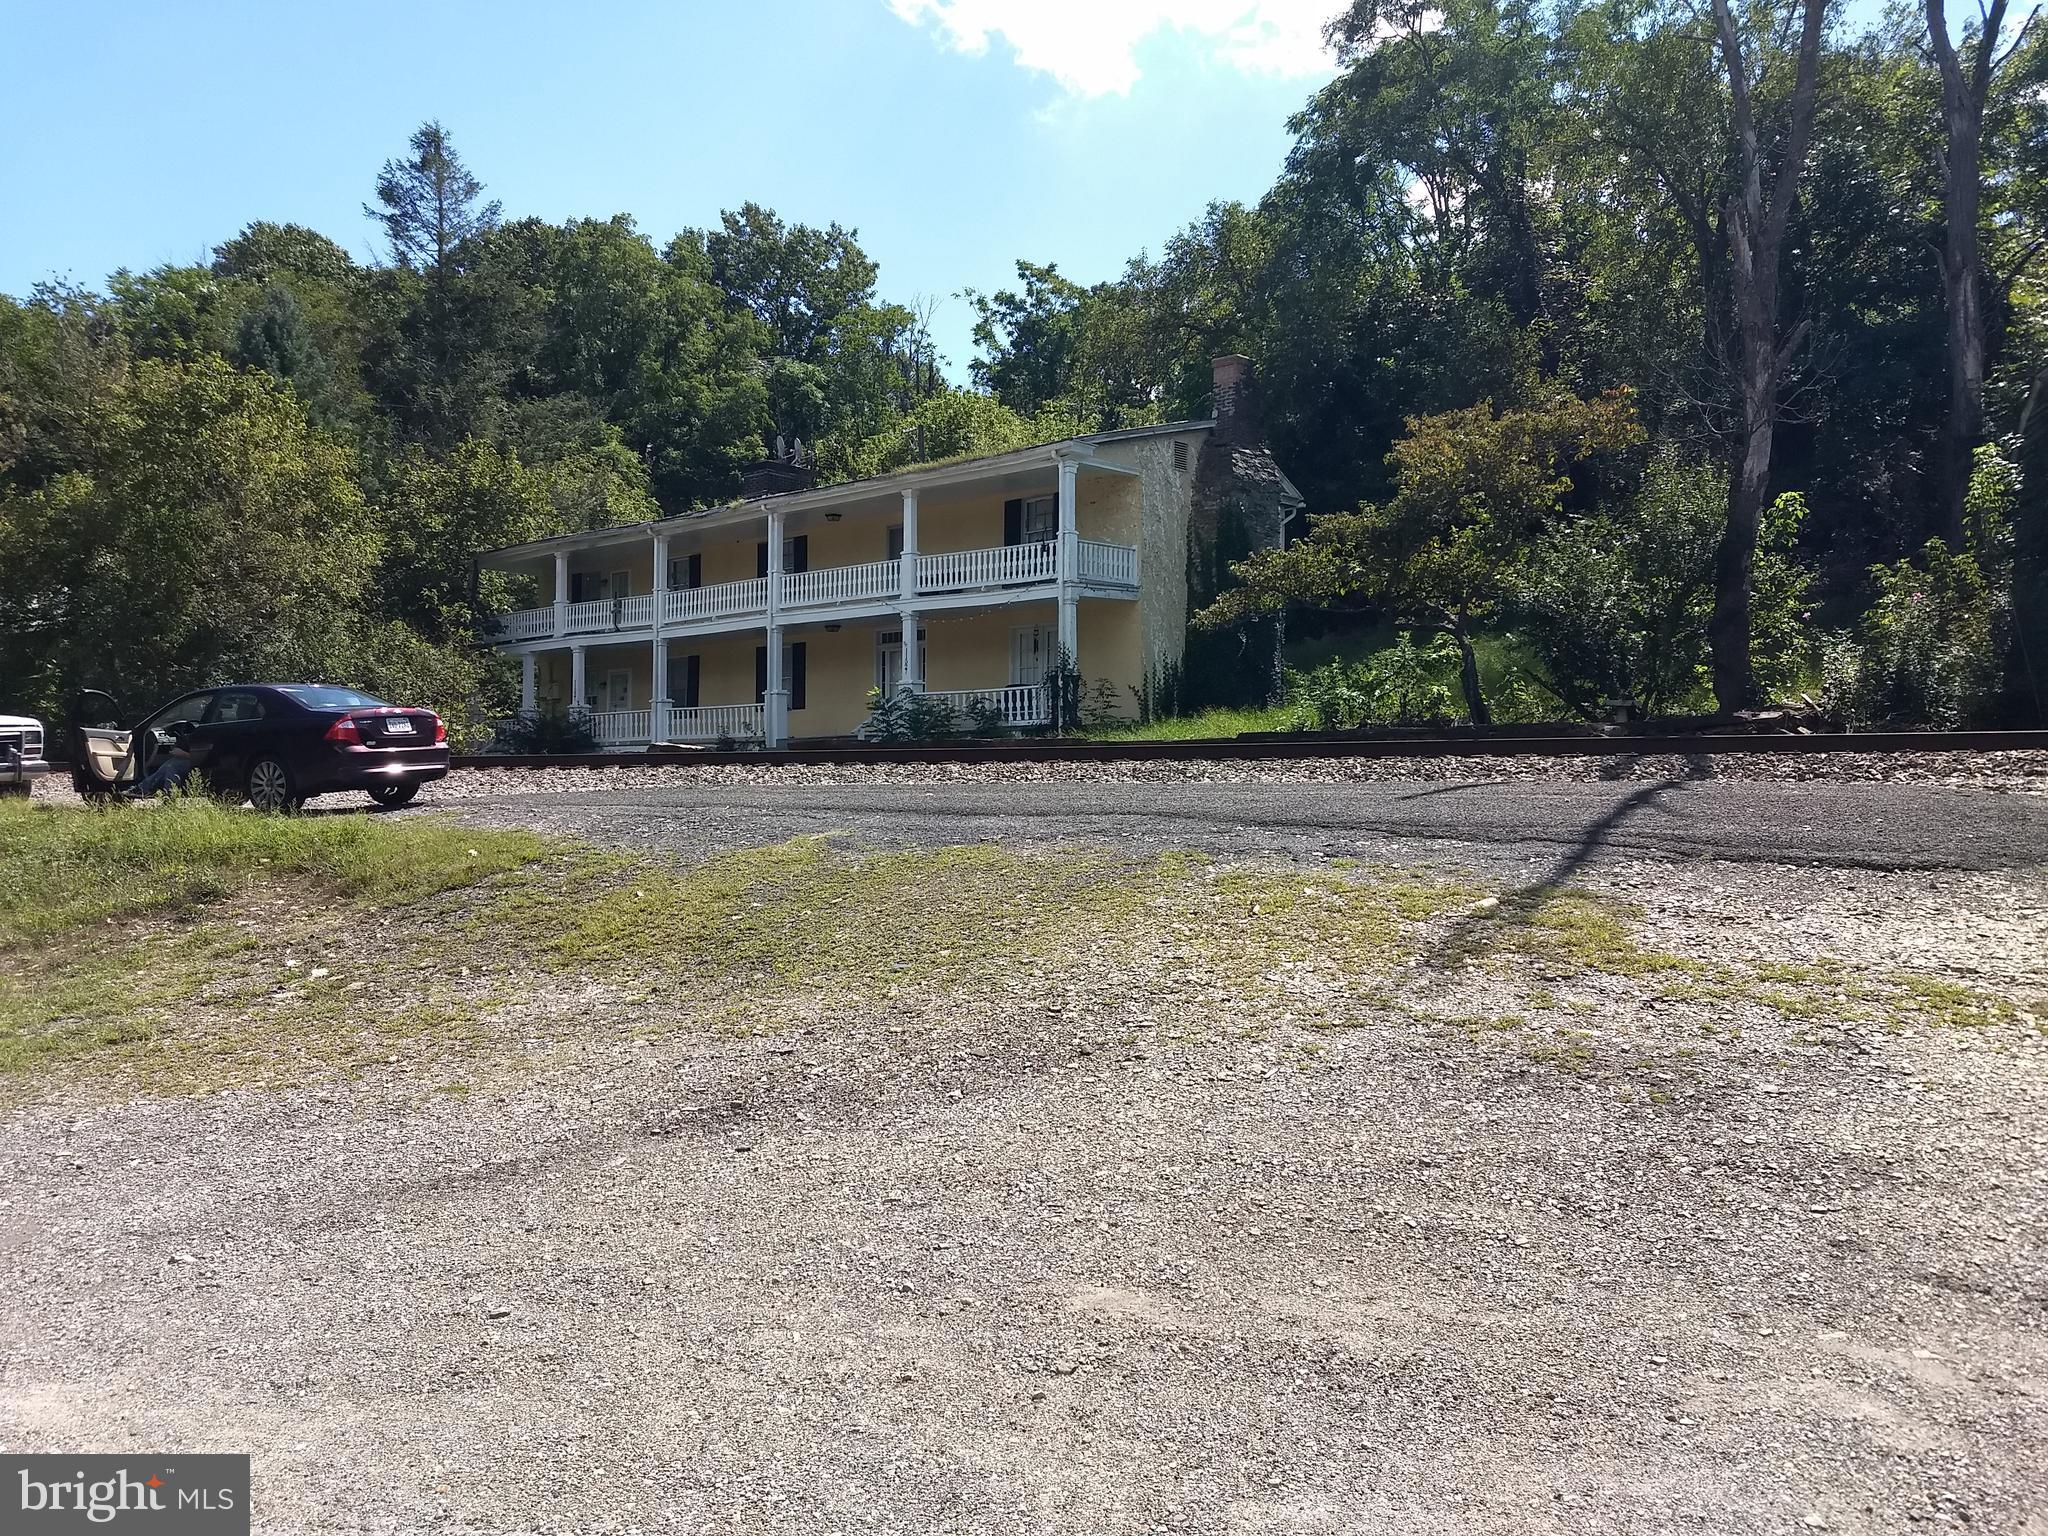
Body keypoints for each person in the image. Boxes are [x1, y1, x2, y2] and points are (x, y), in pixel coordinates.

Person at [127, 727, 199, 798]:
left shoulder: (205, 735)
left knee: (172, 766)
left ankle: (169, 795)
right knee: (170, 764)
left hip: (201, 763)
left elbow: (200, 756)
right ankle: (145, 788)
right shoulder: (200, 734)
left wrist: (184, 754)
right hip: (191, 760)